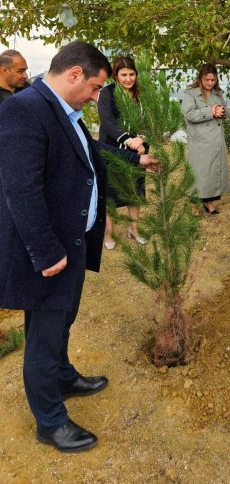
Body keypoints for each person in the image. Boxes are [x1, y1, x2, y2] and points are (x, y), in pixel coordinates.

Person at [0, 41, 158, 453]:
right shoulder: (23, 110)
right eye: (93, 87)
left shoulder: (64, 111)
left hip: (73, 244)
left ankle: (63, 376)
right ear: (73, 74)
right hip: (51, 253)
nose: (95, 97)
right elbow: (21, 191)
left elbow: (90, 152)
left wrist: (132, 160)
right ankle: (50, 422)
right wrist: (47, 253)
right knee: (44, 334)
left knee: (63, 321)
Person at [98, 56, 147, 249]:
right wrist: (129, 139)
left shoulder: (140, 94)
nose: (128, 79)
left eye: (132, 74)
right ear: (115, 76)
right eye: (124, 75)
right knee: (110, 192)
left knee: (134, 191)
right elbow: (107, 122)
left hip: (138, 149)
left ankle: (134, 229)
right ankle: (108, 234)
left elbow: (147, 119)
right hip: (112, 149)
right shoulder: (107, 93)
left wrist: (141, 138)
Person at [182, 63, 229, 214]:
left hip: (215, 140)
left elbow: (226, 112)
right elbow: (189, 114)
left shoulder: (217, 93)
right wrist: (210, 111)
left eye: (213, 80)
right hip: (200, 141)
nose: (210, 83)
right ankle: (195, 205)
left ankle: (208, 203)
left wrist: (223, 111)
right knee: (199, 173)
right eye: (207, 80)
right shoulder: (190, 93)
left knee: (212, 173)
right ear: (200, 78)